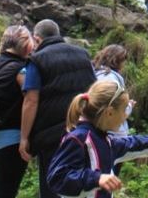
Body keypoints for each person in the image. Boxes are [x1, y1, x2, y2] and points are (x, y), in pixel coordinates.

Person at [46, 80, 148, 198]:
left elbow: (135, 144)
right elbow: (57, 178)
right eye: (124, 109)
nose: (126, 115)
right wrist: (96, 179)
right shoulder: (78, 138)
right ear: (110, 113)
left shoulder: (106, 141)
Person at [19, 19, 97, 198]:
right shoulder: (83, 54)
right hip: (83, 130)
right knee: (80, 183)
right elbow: (95, 91)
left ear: (37, 39)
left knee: (52, 185)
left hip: (51, 136)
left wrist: (24, 138)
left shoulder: (37, 60)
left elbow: (31, 100)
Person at [0, 25, 34, 198]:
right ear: (26, 45)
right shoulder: (21, 69)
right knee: (6, 191)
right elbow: (31, 99)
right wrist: (25, 137)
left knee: (2, 187)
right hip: (11, 138)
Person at [93, 45, 132, 136]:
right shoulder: (110, 78)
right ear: (117, 61)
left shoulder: (96, 73)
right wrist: (129, 106)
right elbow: (111, 108)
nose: (124, 65)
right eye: (123, 61)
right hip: (112, 133)